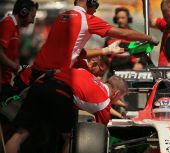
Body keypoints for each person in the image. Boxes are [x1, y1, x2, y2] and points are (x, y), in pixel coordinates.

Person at [0, 60, 128, 153]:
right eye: (120, 97)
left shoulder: (85, 72)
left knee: (20, 134)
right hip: (61, 94)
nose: (118, 100)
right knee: (68, 137)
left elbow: (57, 72)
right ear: (116, 93)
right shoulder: (104, 103)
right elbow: (100, 134)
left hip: (40, 85)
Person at [14, 0, 156, 91]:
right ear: (90, 2)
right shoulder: (87, 19)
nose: (95, 9)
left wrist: (104, 50)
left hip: (37, 72)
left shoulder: (60, 17)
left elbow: (74, 52)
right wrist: (150, 38)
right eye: (96, 4)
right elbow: (123, 34)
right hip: (54, 77)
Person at [0, 0, 38, 101]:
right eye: (32, 17)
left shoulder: (15, 27)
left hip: (6, 81)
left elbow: (14, 55)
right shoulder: (8, 24)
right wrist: (16, 68)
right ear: (23, 12)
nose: (32, 21)